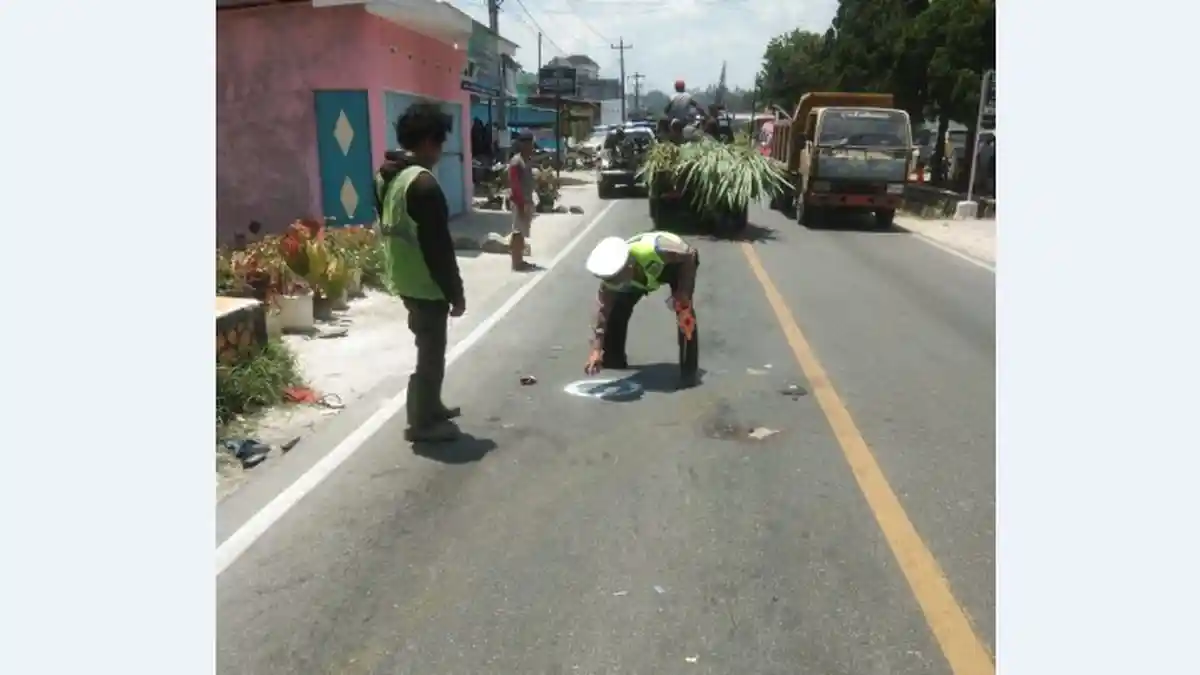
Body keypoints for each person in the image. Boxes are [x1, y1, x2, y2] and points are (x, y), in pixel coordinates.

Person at [373, 100, 465, 442]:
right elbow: (439, 249)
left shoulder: (387, 177)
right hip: (427, 284)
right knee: (430, 352)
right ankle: (421, 423)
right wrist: (455, 293)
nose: (441, 150)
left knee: (428, 346)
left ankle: (432, 406)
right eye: (440, 142)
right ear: (427, 141)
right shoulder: (423, 185)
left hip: (403, 277)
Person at [583, 231, 701, 389]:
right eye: (610, 280)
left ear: (629, 264)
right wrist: (596, 350)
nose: (614, 284)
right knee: (615, 310)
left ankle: (688, 371)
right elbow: (601, 314)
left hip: (673, 266)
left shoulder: (658, 249)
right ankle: (613, 358)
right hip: (639, 279)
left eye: (617, 278)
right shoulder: (612, 282)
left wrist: (684, 291)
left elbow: (690, 255)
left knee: (684, 312)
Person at [507, 130, 538, 272]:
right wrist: (522, 204)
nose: (533, 147)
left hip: (526, 201)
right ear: (524, 145)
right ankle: (516, 262)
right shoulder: (516, 162)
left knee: (522, 232)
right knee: (517, 232)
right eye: (531, 144)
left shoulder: (527, 161)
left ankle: (519, 260)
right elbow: (515, 185)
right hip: (519, 202)